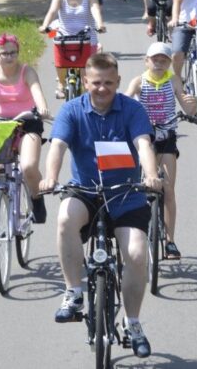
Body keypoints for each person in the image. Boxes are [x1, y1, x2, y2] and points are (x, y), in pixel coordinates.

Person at [40, 53, 163, 358]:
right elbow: (58, 146)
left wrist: (150, 175)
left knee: (135, 253)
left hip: (126, 194)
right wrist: (50, 177)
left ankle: (133, 323)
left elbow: (143, 144)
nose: (102, 88)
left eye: (108, 83)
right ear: (85, 82)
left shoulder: (132, 109)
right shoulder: (72, 109)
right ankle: (74, 292)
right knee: (65, 219)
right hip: (85, 191)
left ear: (118, 82)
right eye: (96, 83)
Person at [0, 35, 50, 246]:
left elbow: (37, 92)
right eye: (4, 53)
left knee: (29, 165)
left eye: (13, 52)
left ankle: (36, 198)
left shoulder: (26, 71)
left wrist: (42, 108)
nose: (9, 57)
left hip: (28, 122)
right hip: (2, 125)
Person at [124, 43, 197, 259]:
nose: (159, 63)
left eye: (164, 60)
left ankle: (170, 241)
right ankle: (134, 232)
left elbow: (188, 109)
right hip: (144, 137)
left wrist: (191, 105)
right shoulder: (139, 81)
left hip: (166, 137)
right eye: (155, 59)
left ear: (169, 63)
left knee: (168, 188)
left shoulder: (174, 80)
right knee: (139, 185)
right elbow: (127, 98)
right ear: (146, 61)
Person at [39, 0, 107, 99]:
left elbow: (95, 9)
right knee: (61, 62)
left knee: (86, 73)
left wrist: (100, 24)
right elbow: (52, 12)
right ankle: (60, 85)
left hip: (86, 38)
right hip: (65, 37)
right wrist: (45, 25)